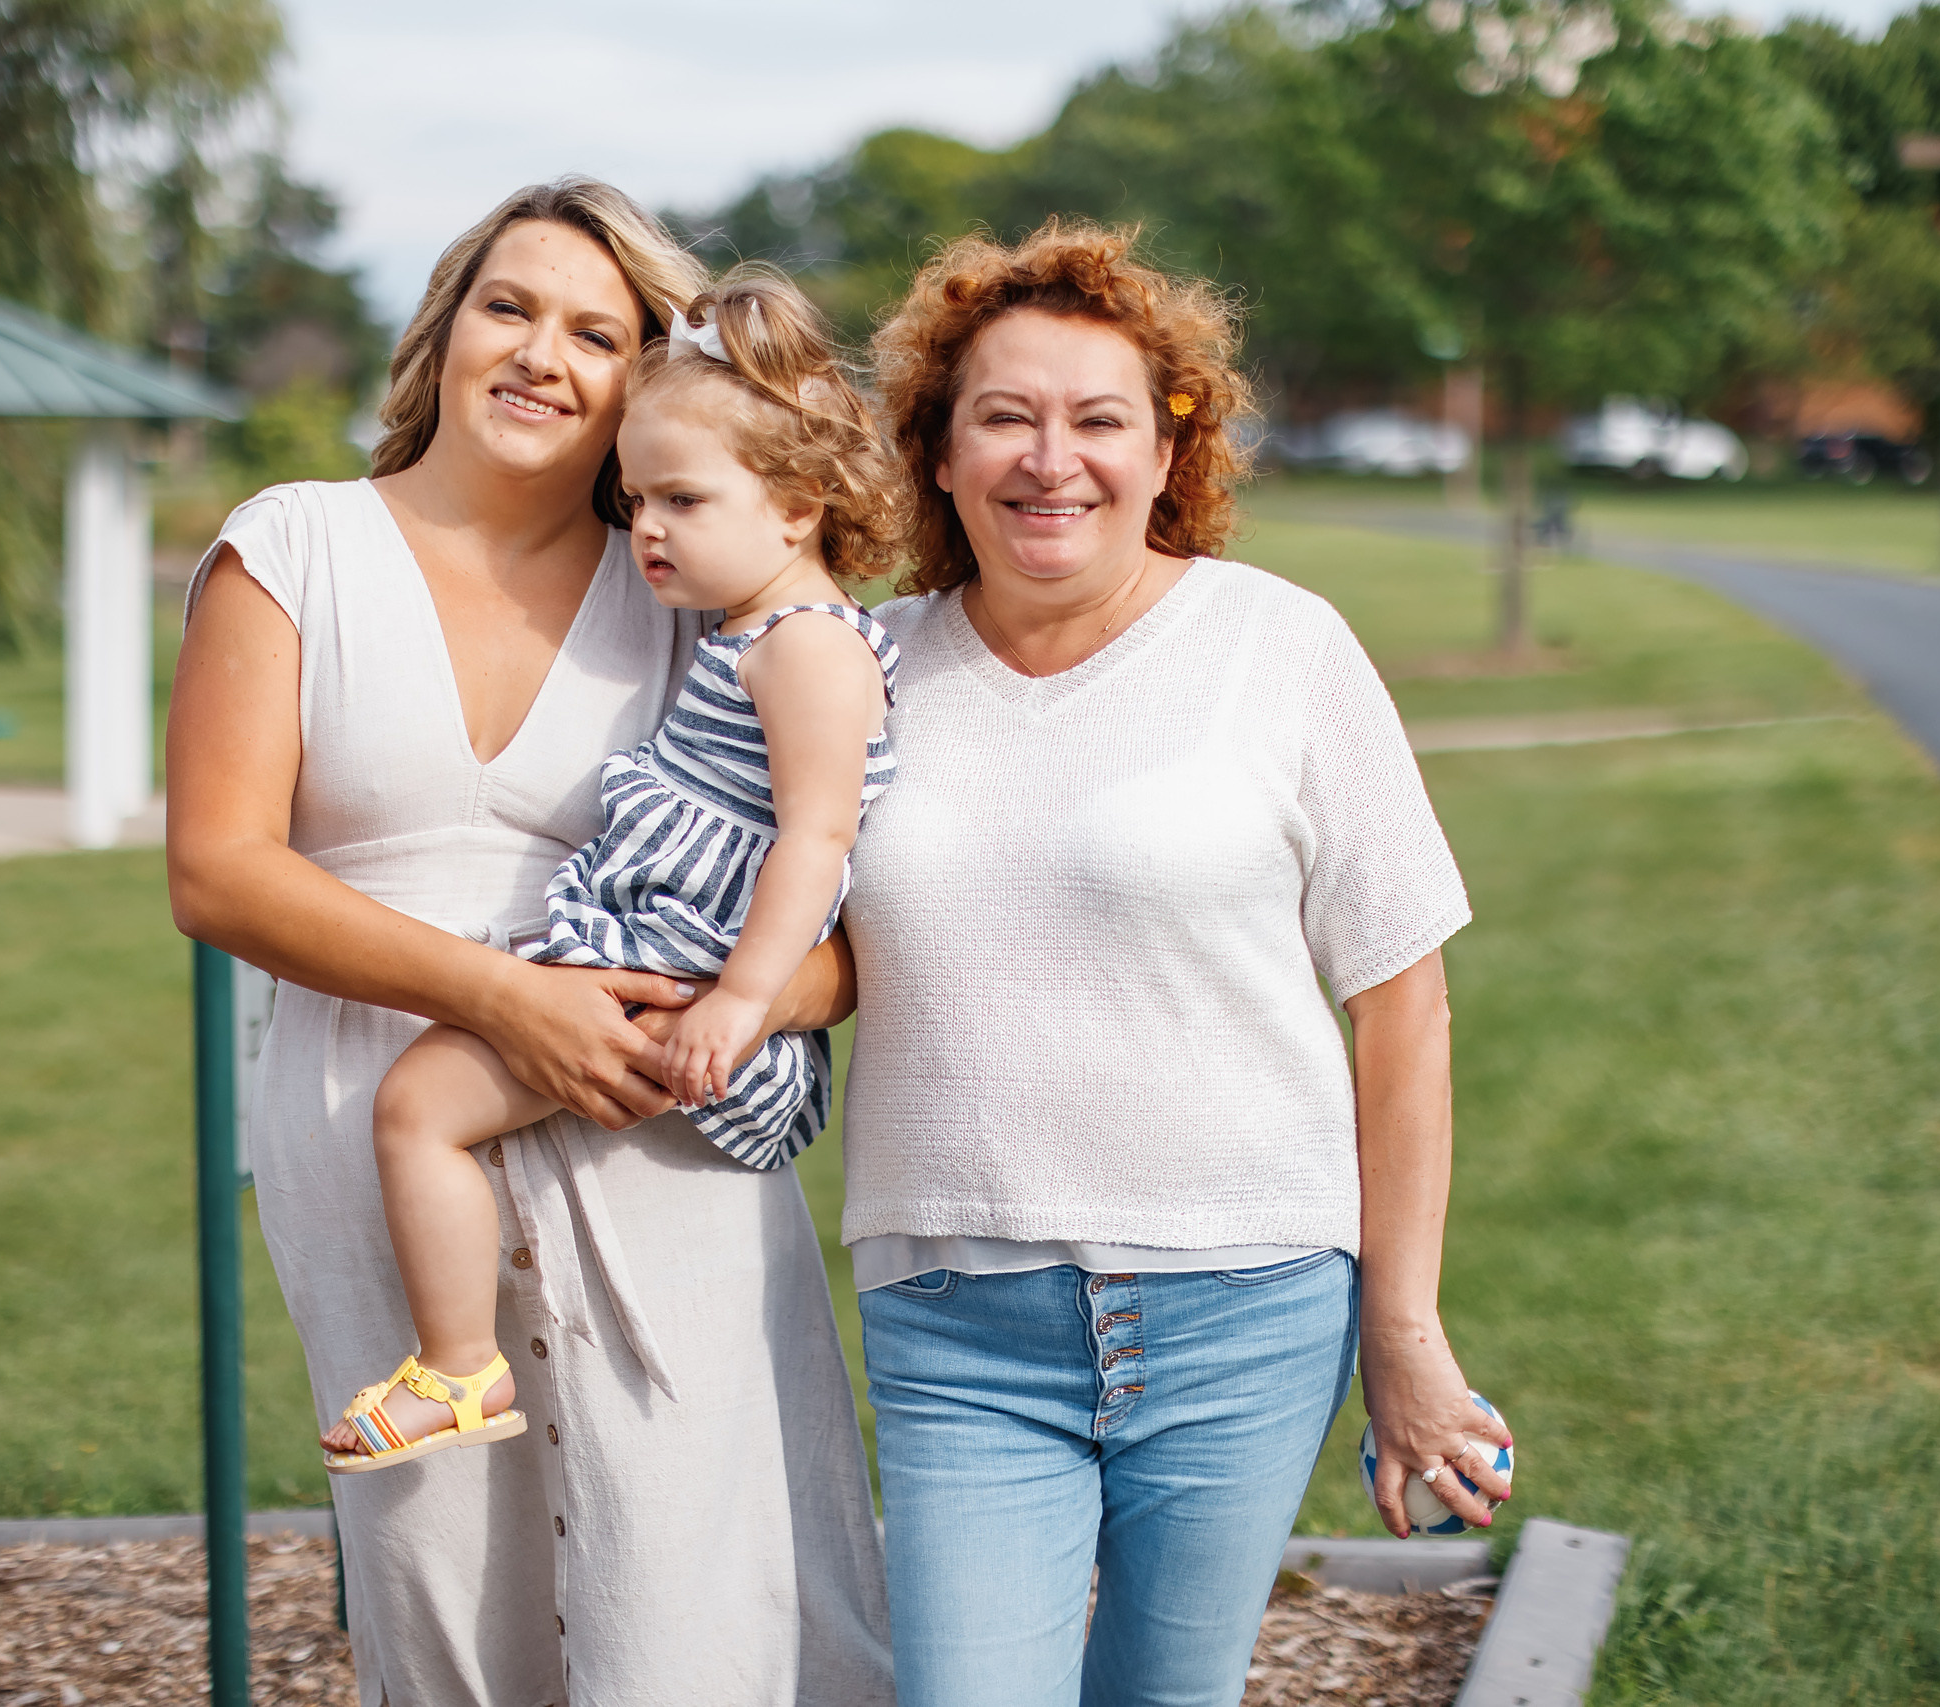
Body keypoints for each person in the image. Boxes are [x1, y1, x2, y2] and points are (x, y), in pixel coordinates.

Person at [165, 179, 891, 1707]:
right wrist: (506, 997)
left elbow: (849, 906)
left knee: (704, 1570)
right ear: (444, 329)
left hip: (650, 1115)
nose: (543, 353)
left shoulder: (695, 582)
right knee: (447, 1591)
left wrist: (711, 1011)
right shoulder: (293, 545)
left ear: (647, 379)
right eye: (511, 306)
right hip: (379, 1106)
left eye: (597, 330)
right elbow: (219, 871)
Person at [840, 222, 1513, 1707]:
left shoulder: (1281, 647)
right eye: (1003, 415)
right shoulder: (856, 670)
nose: (1049, 458)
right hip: (960, 1317)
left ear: (1167, 449)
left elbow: (1402, 1004)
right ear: (937, 450)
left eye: (1098, 419)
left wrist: (1405, 1336)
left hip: (1247, 1305)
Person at [323, 269, 905, 1474]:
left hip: (678, 967)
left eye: (683, 500)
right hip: (655, 949)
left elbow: (817, 841)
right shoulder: (748, 630)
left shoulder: (809, 651)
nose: (647, 528)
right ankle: (463, 1358)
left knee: (417, 1108)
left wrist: (744, 998)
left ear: (796, 506)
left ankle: (459, 1369)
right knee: (424, 1110)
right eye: (636, 498)